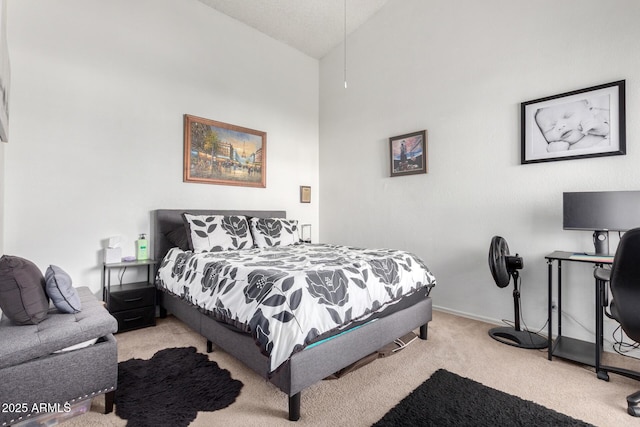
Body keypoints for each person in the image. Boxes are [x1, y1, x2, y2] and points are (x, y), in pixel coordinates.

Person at [534, 98, 610, 152]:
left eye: (567, 115)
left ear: (589, 108)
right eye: (550, 128)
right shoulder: (558, 147)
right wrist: (555, 153)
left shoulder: (602, 119)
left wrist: (606, 130)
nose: (560, 127)